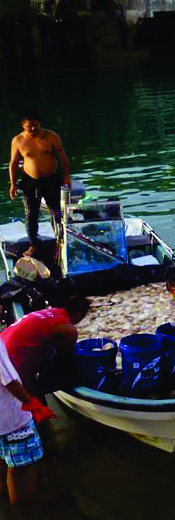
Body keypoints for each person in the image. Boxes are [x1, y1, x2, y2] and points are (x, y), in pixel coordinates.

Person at [0, 294, 91, 400]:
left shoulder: (52, 312)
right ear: (79, 315)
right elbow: (68, 358)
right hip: (13, 363)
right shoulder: (68, 328)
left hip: (3, 348)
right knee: (33, 405)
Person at [8, 110, 71, 258]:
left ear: (39, 123)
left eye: (35, 125)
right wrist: (13, 184)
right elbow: (13, 163)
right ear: (23, 125)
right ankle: (33, 244)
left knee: (56, 211)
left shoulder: (51, 136)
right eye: (29, 126)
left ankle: (60, 240)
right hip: (30, 182)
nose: (33, 129)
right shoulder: (17, 140)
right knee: (31, 214)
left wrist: (67, 177)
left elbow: (62, 156)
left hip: (51, 179)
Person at [0, 338, 56, 505]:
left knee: (3, 463)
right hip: (11, 420)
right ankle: (23, 511)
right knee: (21, 468)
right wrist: (32, 404)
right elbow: (9, 381)